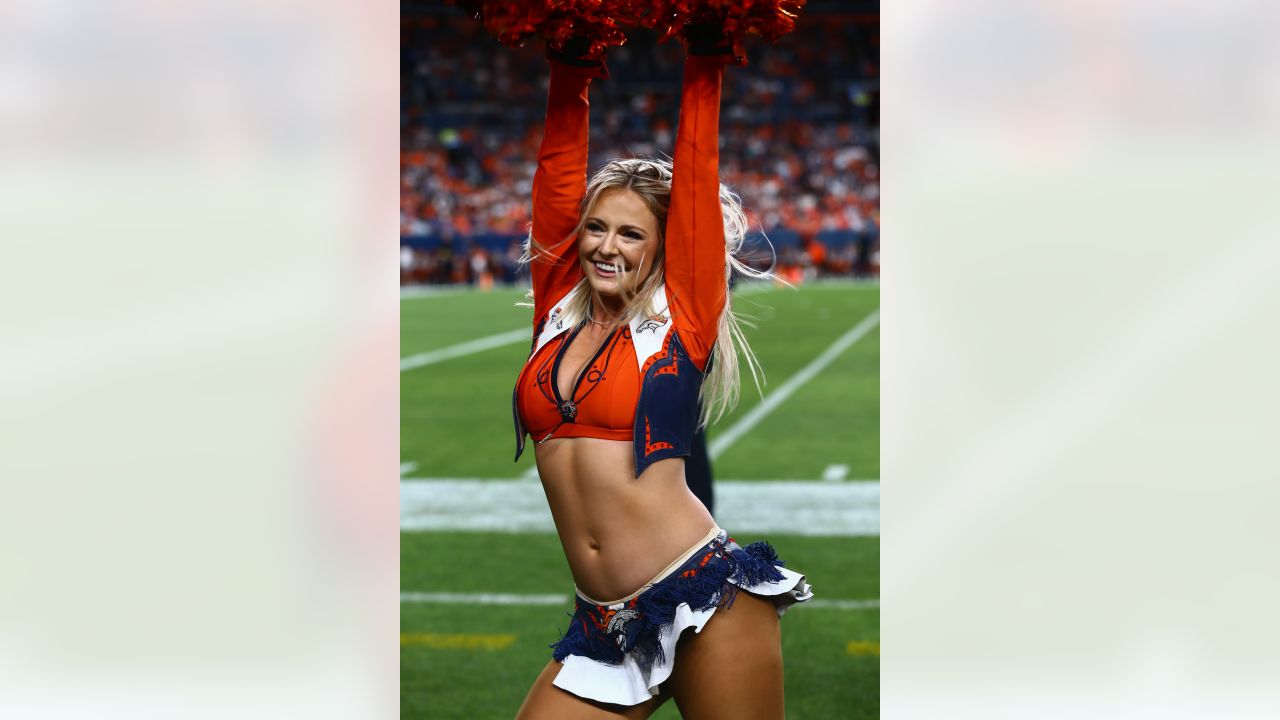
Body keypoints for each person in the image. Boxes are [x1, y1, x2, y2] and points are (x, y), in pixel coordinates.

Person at [511, 27, 812, 719]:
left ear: (663, 245)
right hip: (604, 623)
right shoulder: (558, 309)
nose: (604, 246)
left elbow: (698, 169)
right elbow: (557, 173)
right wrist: (571, 62)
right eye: (595, 227)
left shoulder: (683, 315)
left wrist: (706, 55)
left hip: (704, 596)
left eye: (630, 233)